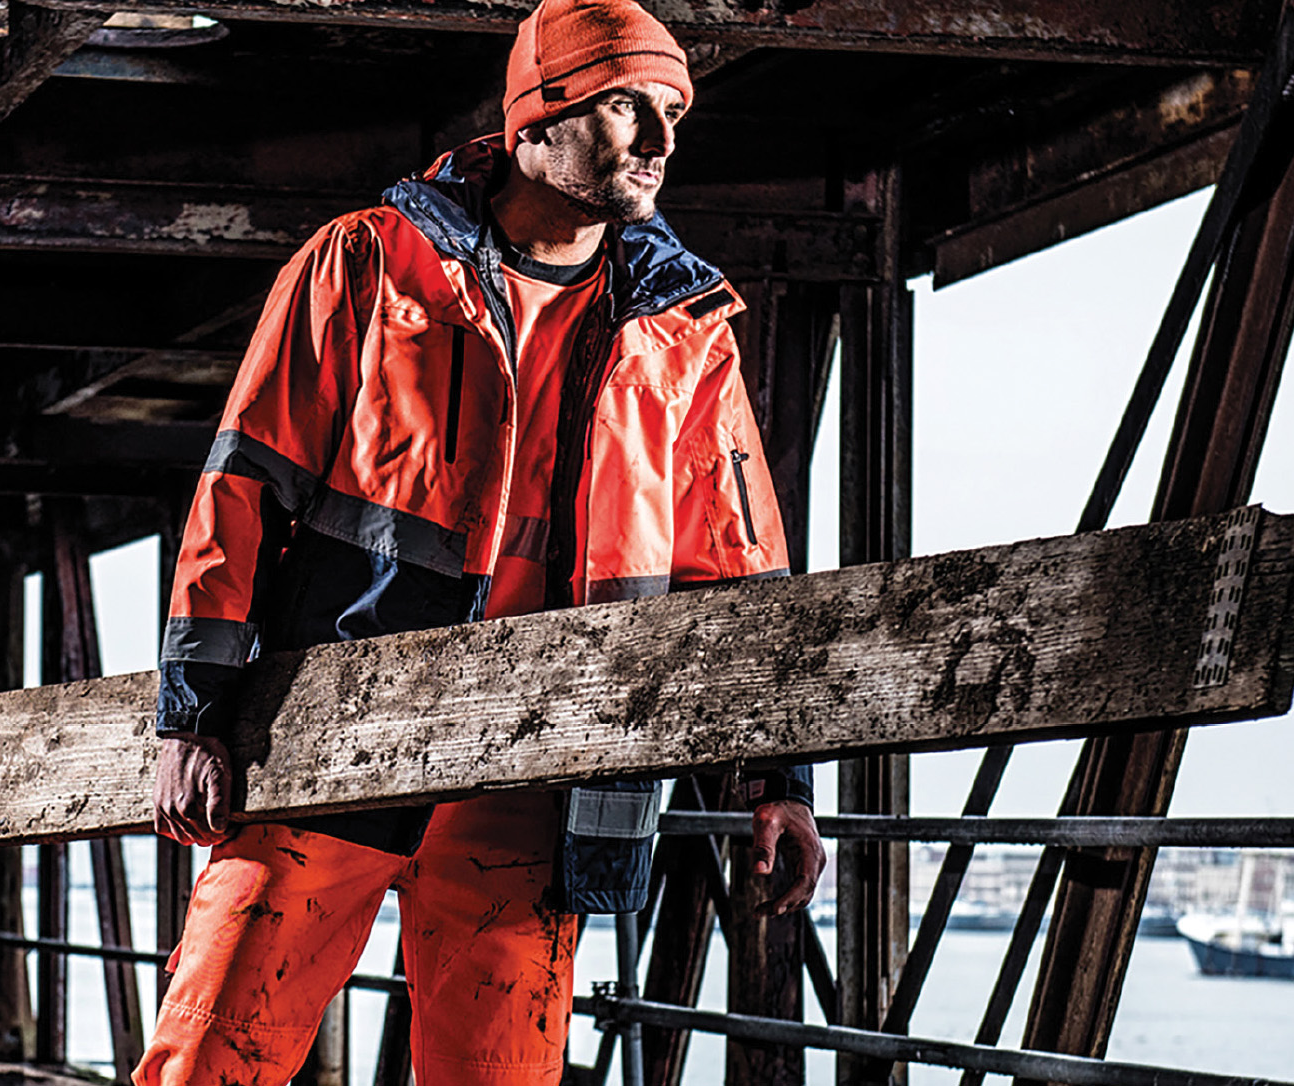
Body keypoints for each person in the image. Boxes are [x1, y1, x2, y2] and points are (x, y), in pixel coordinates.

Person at [142, 0, 826, 1080]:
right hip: (331, 743)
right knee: (212, 1053)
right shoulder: (367, 263)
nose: (659, 138)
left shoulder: (685, 331)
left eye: (673, 110)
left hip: (541, 769)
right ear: (532, 121)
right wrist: (192, 717)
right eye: (624, 106)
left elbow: (735, 565)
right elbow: (242, 494)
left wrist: (774, 775)